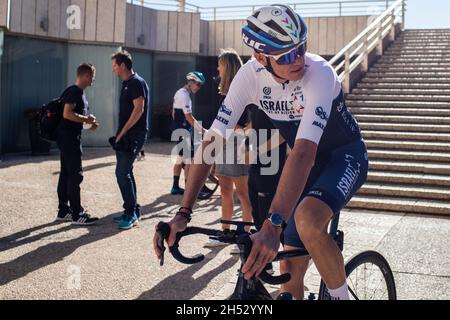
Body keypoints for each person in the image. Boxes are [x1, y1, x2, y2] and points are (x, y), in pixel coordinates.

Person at [153, 4, 368, 301]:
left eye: (301, 47)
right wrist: (183, 212)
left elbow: (303, 153)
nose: (299, 59)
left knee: (306, 220)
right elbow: (212, 144)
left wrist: (273, 224)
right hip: (307, 164)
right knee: (288, 270)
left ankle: (341, 297)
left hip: (343, 156)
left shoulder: (319, 73)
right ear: (260, 57)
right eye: (288, 55)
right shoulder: (248, 77)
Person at [203, 49, 253, 253]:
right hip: (225, 145)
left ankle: (246, 237)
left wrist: (240, 132)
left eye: (220, 64)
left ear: (228, 67)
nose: (217, 68)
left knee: (243, 194)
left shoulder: (244, 90)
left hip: (238, 145)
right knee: (225, 191)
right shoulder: (226, 93)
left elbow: (252, 122)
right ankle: (226, 233)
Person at [56, 63, 99, 226]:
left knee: (66, 173)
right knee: (75, 175)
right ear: (86, 75)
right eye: (92, 76)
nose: (93, 79)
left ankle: (63, 210)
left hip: (67, 137)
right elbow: (68, 114)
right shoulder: (75, 91)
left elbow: (73, 117)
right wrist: (86, 119)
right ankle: (77, 213)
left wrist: (88, 123)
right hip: (69, 139)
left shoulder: (75, 92)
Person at [111, 51, 150, 230]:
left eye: (115, 65)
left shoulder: (136, 83)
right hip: (127, 134)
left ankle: (131, 214)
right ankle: (132, 209)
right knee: (127, 171)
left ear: (123, 65)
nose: (113, 69)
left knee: (122, 172)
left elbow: (138, 110)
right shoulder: (127, 83)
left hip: (133, 135)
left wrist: (123, 132)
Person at [170, 72, 206, 196]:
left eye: (200, 85)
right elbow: (189, 117)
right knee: (189, 160)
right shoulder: (184, 95)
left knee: (180, 159)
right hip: (183, 130)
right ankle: (189, 190)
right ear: (190, 82)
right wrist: (203, 131)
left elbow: (173, 113)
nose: (199, 87)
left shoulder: (180, 93)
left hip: (179, 128)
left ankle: (175, 187)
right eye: (198, 84)